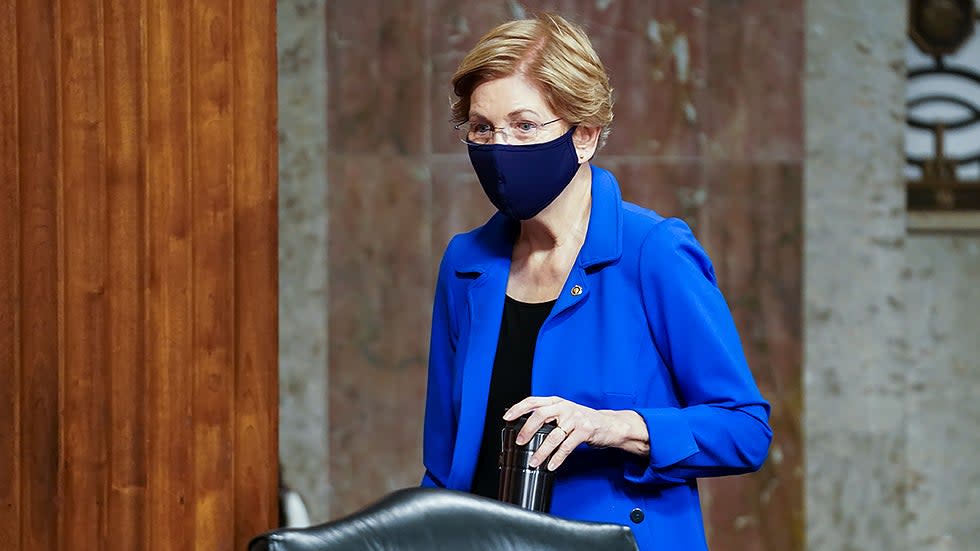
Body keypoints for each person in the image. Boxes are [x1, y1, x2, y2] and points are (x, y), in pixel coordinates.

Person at [420, 12, 772, 551]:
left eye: (525, 125)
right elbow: (445, 467)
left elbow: (746, 430)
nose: (499, 147)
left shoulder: (654, 252)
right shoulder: (465, 264)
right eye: (482, 128)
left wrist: (610, 427)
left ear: (583, 135)